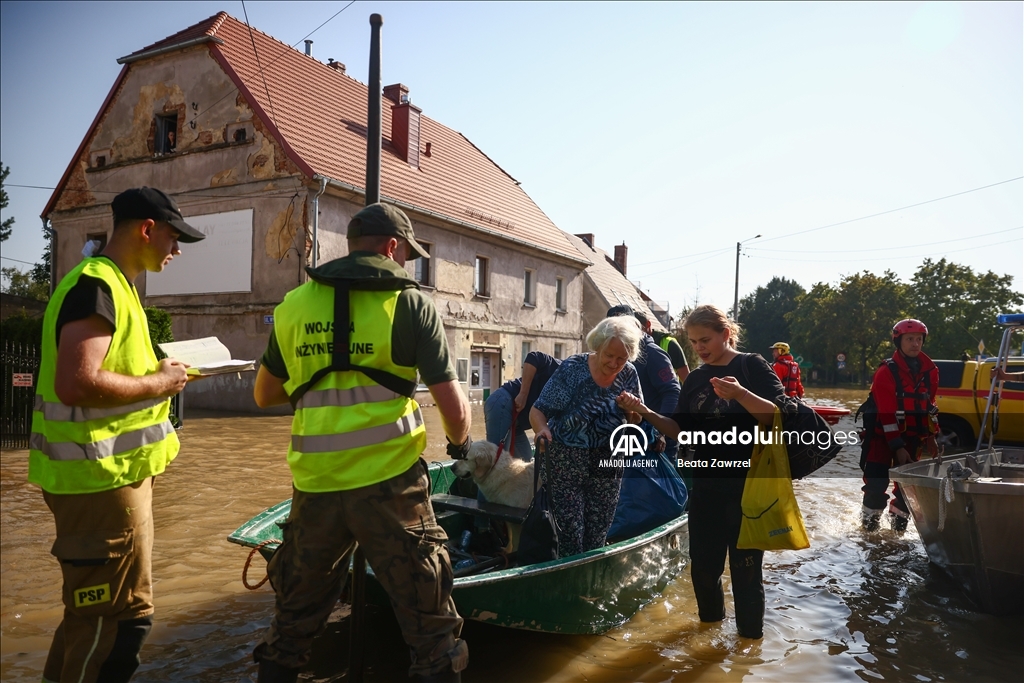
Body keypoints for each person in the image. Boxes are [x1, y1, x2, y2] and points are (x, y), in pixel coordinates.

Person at [251, 203, 472, 683]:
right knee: (431, 630)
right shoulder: (411, 305)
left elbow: (264, 394)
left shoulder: (293, 306)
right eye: (406, 256)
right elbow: (453, 411)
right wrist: (461, 442)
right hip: (391, 488)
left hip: (316, 487)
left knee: (292, 626)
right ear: (392, 248)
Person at [28, 187, 206, 683]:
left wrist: (160, 370)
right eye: (174, 239)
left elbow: (108, 371)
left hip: (112, 482)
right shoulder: (97, 285)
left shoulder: (117, 286)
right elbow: (77, 382)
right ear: (147, 229)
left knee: (97, 619)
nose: (176, 251)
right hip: (98, 484)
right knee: (115, 625)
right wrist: (162, 382)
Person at [616, 304, 789, 640]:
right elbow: (680, 430)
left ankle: (748, 646)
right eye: (693, 342)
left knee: (746, 573)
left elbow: (777, 416)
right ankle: (708, 641)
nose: (699, 348)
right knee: (704, 570)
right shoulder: (695, 378)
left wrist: (740, 393)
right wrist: (645, 410)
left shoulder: (751, 365)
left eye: (705, 340)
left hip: (747, 488)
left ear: (726, 334)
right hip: (706, 486)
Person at [530, 316, 643, 558]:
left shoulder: (629, 373)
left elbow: (635, 422)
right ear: (597, 347)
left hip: (608, 462)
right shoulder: (573, 368)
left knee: (597, 532)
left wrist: (630, 410)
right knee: (570, 531)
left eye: (621, 358)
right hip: (565, 459)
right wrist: (542, 430)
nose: (614, 363)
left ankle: (590, 587)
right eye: (609, 356)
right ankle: (569, 584)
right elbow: (538, 410)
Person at [861, 319, 940, 533]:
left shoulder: (930, 372)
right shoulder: (885, 372)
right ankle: (869, 533)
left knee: (907, 491)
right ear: (899, 341)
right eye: (910, 339)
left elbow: (929, 406)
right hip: (881, 440)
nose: (915, 344)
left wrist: (933, 437)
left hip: (912, 439)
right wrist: (897, 446)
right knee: (876, 488)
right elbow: (886, 415)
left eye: (919, 339)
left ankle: (897, 535)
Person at [606, 304, 680, 460]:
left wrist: (660, 431)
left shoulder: (652, 353)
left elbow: (672, 393)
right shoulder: (613, 354)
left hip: (654, 443)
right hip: (628, 440)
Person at [484, 351, 561, 462]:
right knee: (498, 461)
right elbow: (533, 357)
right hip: (504, 401)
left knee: (527, 465)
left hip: (518, 423)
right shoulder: (563, 368)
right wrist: (523, 394)